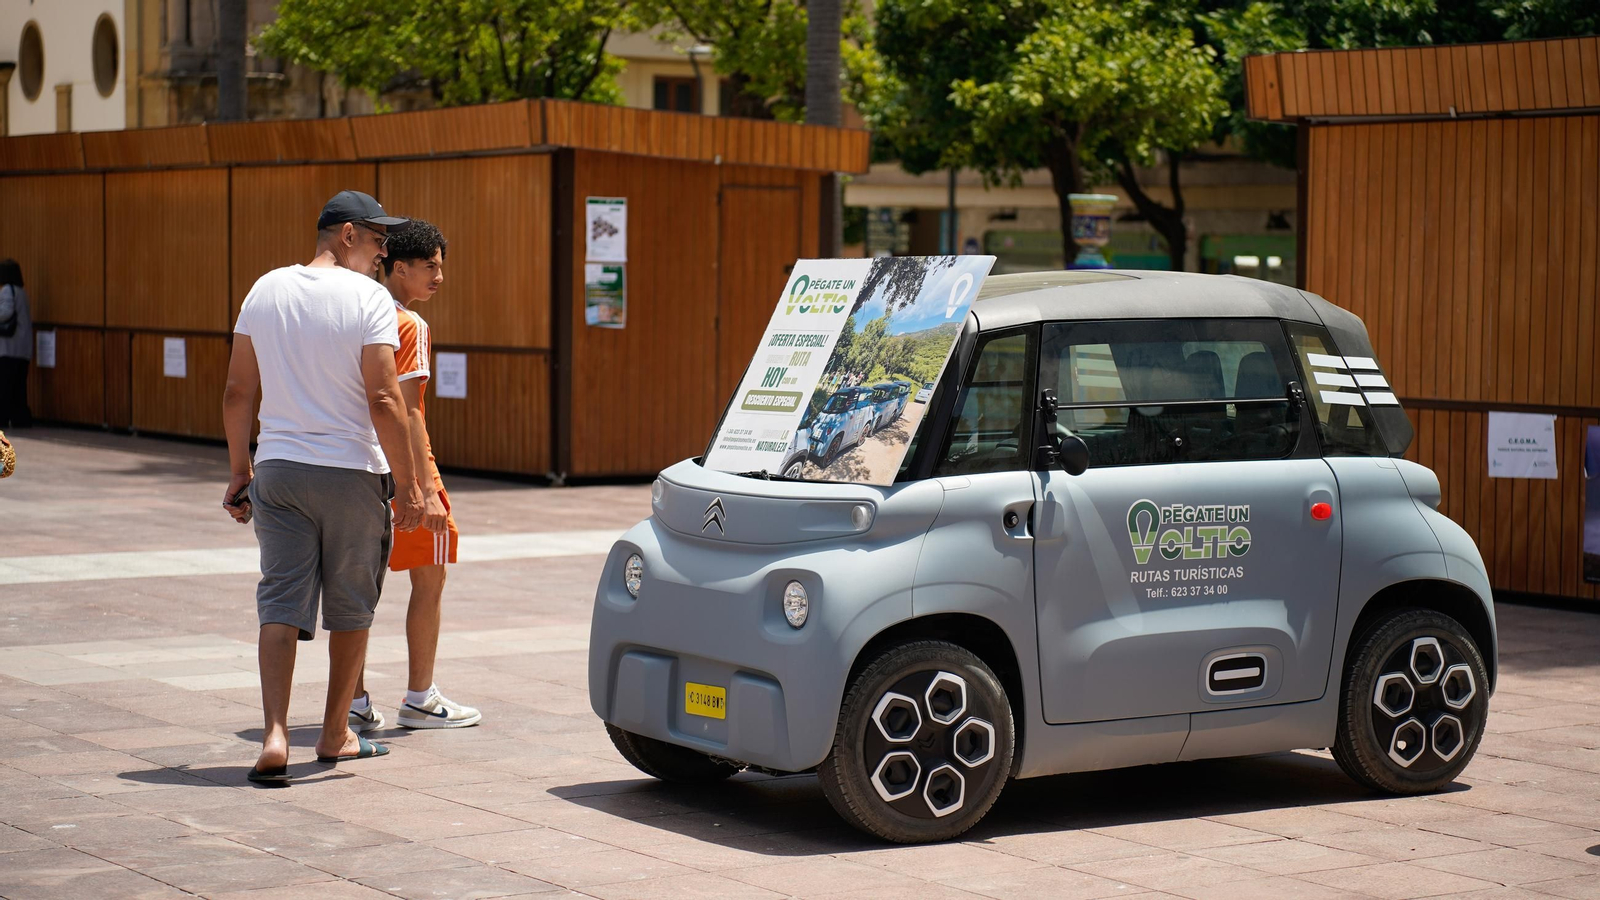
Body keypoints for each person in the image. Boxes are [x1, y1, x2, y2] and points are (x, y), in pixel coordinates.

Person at [221, 190, 426, 783]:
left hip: (279, 469)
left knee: (280, 601)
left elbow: (237, 391)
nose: (383, 252)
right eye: (379, 240)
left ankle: (275, 735)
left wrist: (241, 472)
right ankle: (336, 734)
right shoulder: (368, 297)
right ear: (347, 235)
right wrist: (408, 485)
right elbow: (384, 398)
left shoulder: (264, 289)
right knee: (352, 607)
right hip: (351, 473)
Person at [348, 219, 481, 731]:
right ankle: (421, 697)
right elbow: (408, 410)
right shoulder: (408, 324)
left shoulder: (357, 312)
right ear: (398, 267)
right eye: (430, 266)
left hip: (352, 466)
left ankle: (353, 701)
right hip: (402, 469)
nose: (439, 277)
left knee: (356, 586)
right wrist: (424, 488)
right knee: (431, 575)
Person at [0, 259, 33, 429]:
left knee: (5, 386)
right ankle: (21, 418)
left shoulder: (7, 290)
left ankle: (2, 417)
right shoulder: (22, 292)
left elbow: (5, 313)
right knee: (19, 387)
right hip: (23, 348)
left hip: (9, 348)